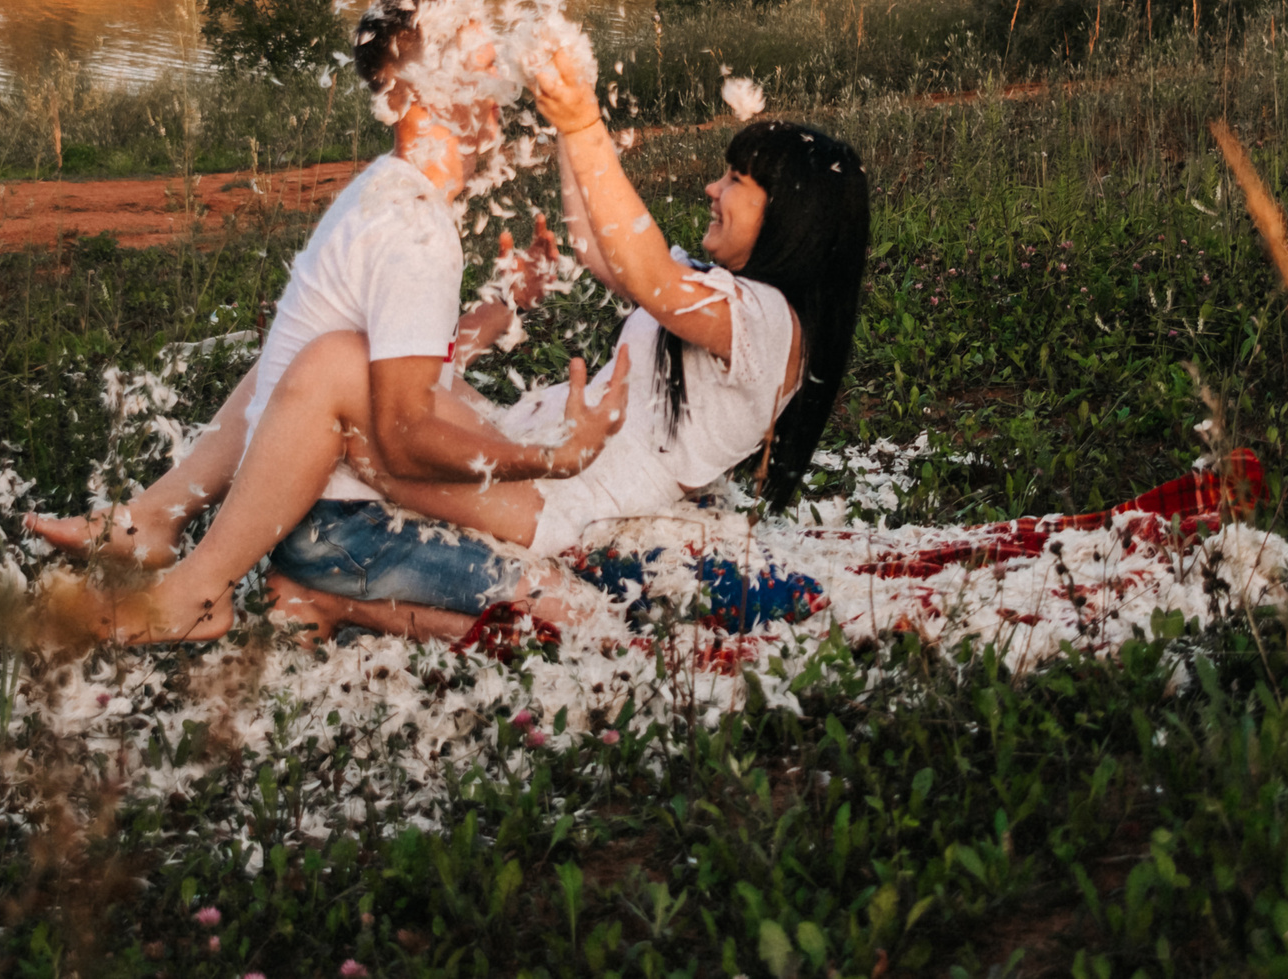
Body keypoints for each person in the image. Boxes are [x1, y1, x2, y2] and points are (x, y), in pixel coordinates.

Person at [76, 38, 870, 643]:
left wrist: (584, 119)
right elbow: (603, 250)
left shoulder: (771, 325)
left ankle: (199, 588)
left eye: (736, 180)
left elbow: (644, 265)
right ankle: (168, 521)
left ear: (792, 216)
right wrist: (563, 117)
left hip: (563, 505)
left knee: (340, 383)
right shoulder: (730, 294)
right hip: (534, 458)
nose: (712, 187)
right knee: (344, 349)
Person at [26, 0, 621, 644]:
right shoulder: (416, 230)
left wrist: (507, 303)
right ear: (420, 97)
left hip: (311, 510)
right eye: (481, 69)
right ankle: (226, 596)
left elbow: (408, 363)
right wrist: (547, 455)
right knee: (583, 619)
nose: (501, 86)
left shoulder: (388, 189)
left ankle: (186, 540)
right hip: (340, 528)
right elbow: (402, 435)